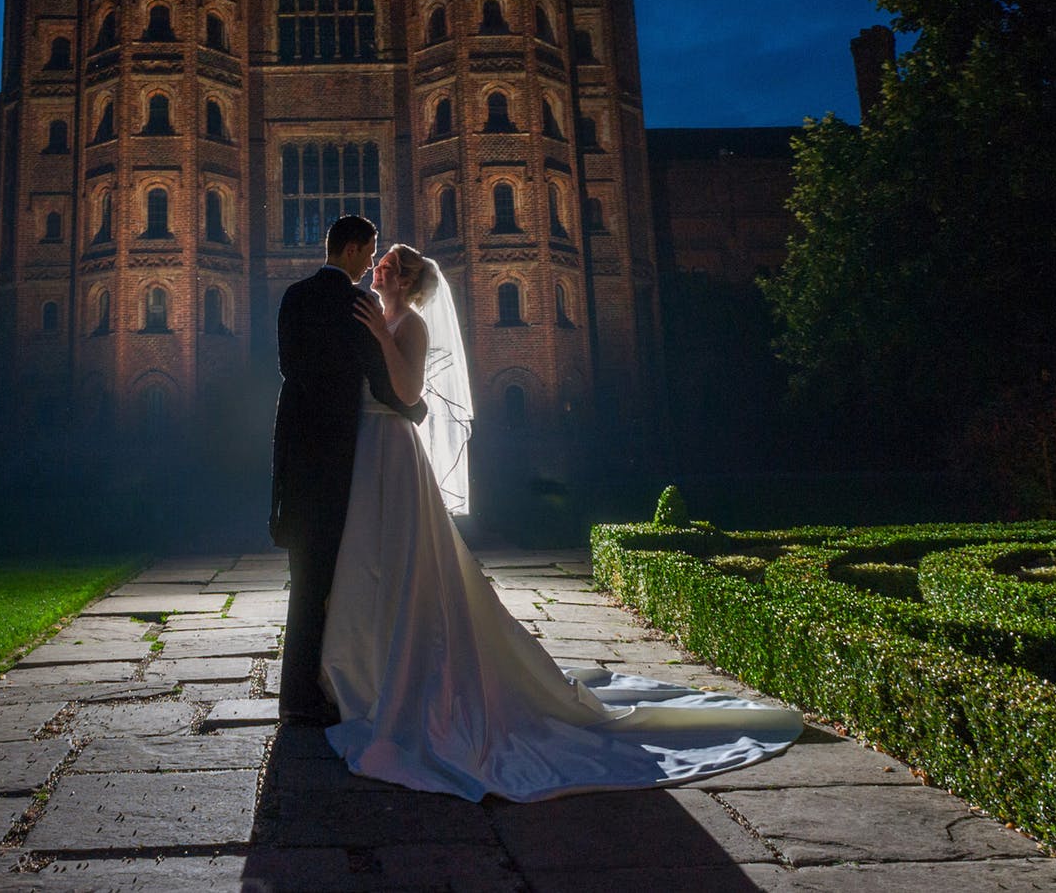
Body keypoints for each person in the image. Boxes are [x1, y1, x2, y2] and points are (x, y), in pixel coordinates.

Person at [316, 242, 806, 802]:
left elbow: (408, 393)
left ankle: (411, 684)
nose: (379, 266)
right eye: (381, 261)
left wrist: (381, 335)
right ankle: (369, 674)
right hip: (369, 449)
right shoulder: (378, 312)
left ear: (404, 281)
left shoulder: (412, 325)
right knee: (371, 564)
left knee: (407, 565)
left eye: (390, 264)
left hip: (396, 452)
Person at [270, 215, 427, 727]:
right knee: (328, 578)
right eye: (372, 251)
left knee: (305, 576)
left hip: (297, 447)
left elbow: (289, 365)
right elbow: (383, 385)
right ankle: (306, 694)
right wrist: (416, 411)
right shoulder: (356, 304)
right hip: (340, 454)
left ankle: (299, 689)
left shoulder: (294, 295)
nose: (372, 262)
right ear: (356, 250)